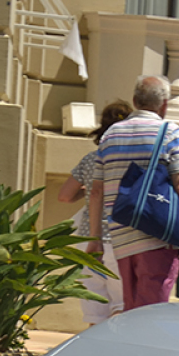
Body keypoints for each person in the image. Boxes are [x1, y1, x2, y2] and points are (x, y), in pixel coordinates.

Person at [92, 75, 179, 311]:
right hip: (157, 232)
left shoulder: (110, 135)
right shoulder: (170, 133)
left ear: (134, 100)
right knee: (153, 309)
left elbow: (96, 191)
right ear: (164, 104)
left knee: (131, 306)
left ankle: (131, 348)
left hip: (121, 233)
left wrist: (95, 239)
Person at [58, 100, 133, 325]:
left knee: (95, 309)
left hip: (88, 238)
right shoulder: (132, 160)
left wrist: (87, 191)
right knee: (121, 305)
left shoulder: (91, 159)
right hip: (121, 237)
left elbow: (64, 195)